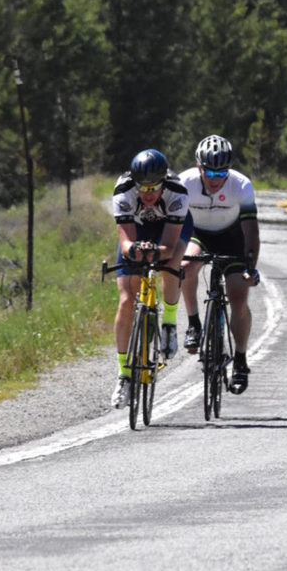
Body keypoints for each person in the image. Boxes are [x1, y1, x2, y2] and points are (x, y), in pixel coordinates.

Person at [110, 148, 192, 409]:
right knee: (125, 300)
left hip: (169, 226)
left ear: (163, 183)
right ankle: (124, 375)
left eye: (154, 187)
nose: (147, 193)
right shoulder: (123, 190)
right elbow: (125, 243)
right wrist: (135, 250)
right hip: (137, 229)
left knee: (171, 264)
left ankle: (168, 324)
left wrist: (157, 251)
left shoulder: (177, 192)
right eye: (142, 188)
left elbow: (168, 245)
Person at [179, 134, 260, 394]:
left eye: (221, 172)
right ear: (198, 166)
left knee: (238, 294)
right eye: (209, 171)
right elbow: (175, 226)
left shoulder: (241, 185)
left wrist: (250, 267)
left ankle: (240, 359)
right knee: (186, 266)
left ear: (229, 169)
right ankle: (193, 323)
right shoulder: (184, 183)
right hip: (198, 233)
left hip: (232, 237)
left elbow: (251, 231)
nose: (215, 178)